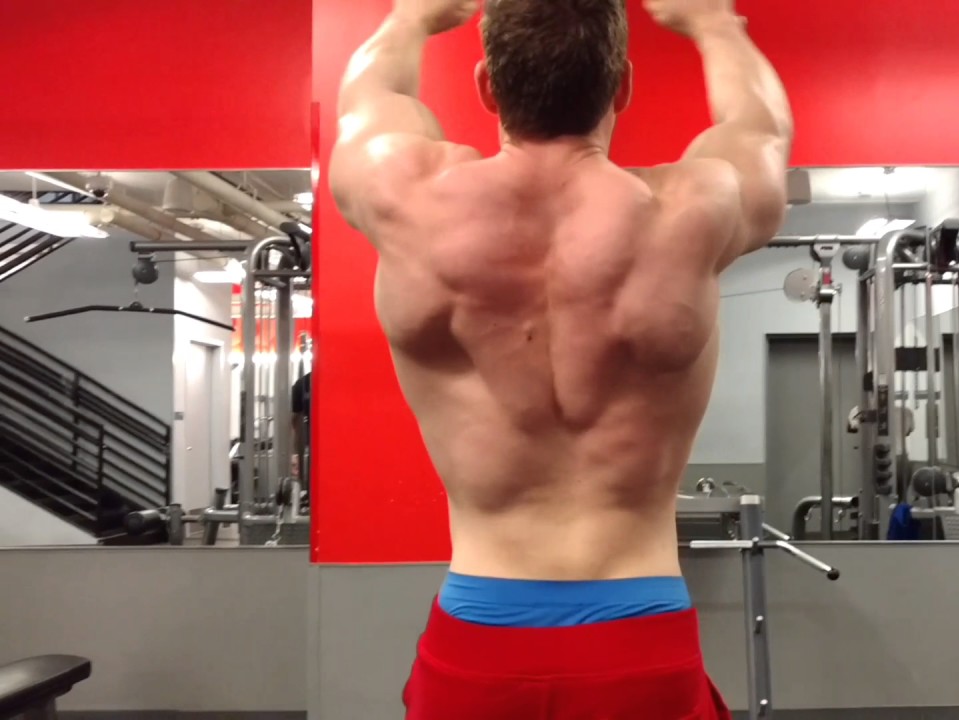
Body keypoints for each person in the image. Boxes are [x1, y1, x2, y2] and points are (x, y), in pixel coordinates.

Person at [330, 0, 792, 717]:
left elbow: (366, 101)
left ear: (487, 86)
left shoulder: (405, 196)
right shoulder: (696, 208)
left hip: (478, 641)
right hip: (641, 639)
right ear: (622, 86)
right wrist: (711, 23)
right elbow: (763, 132)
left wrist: (411, 19)